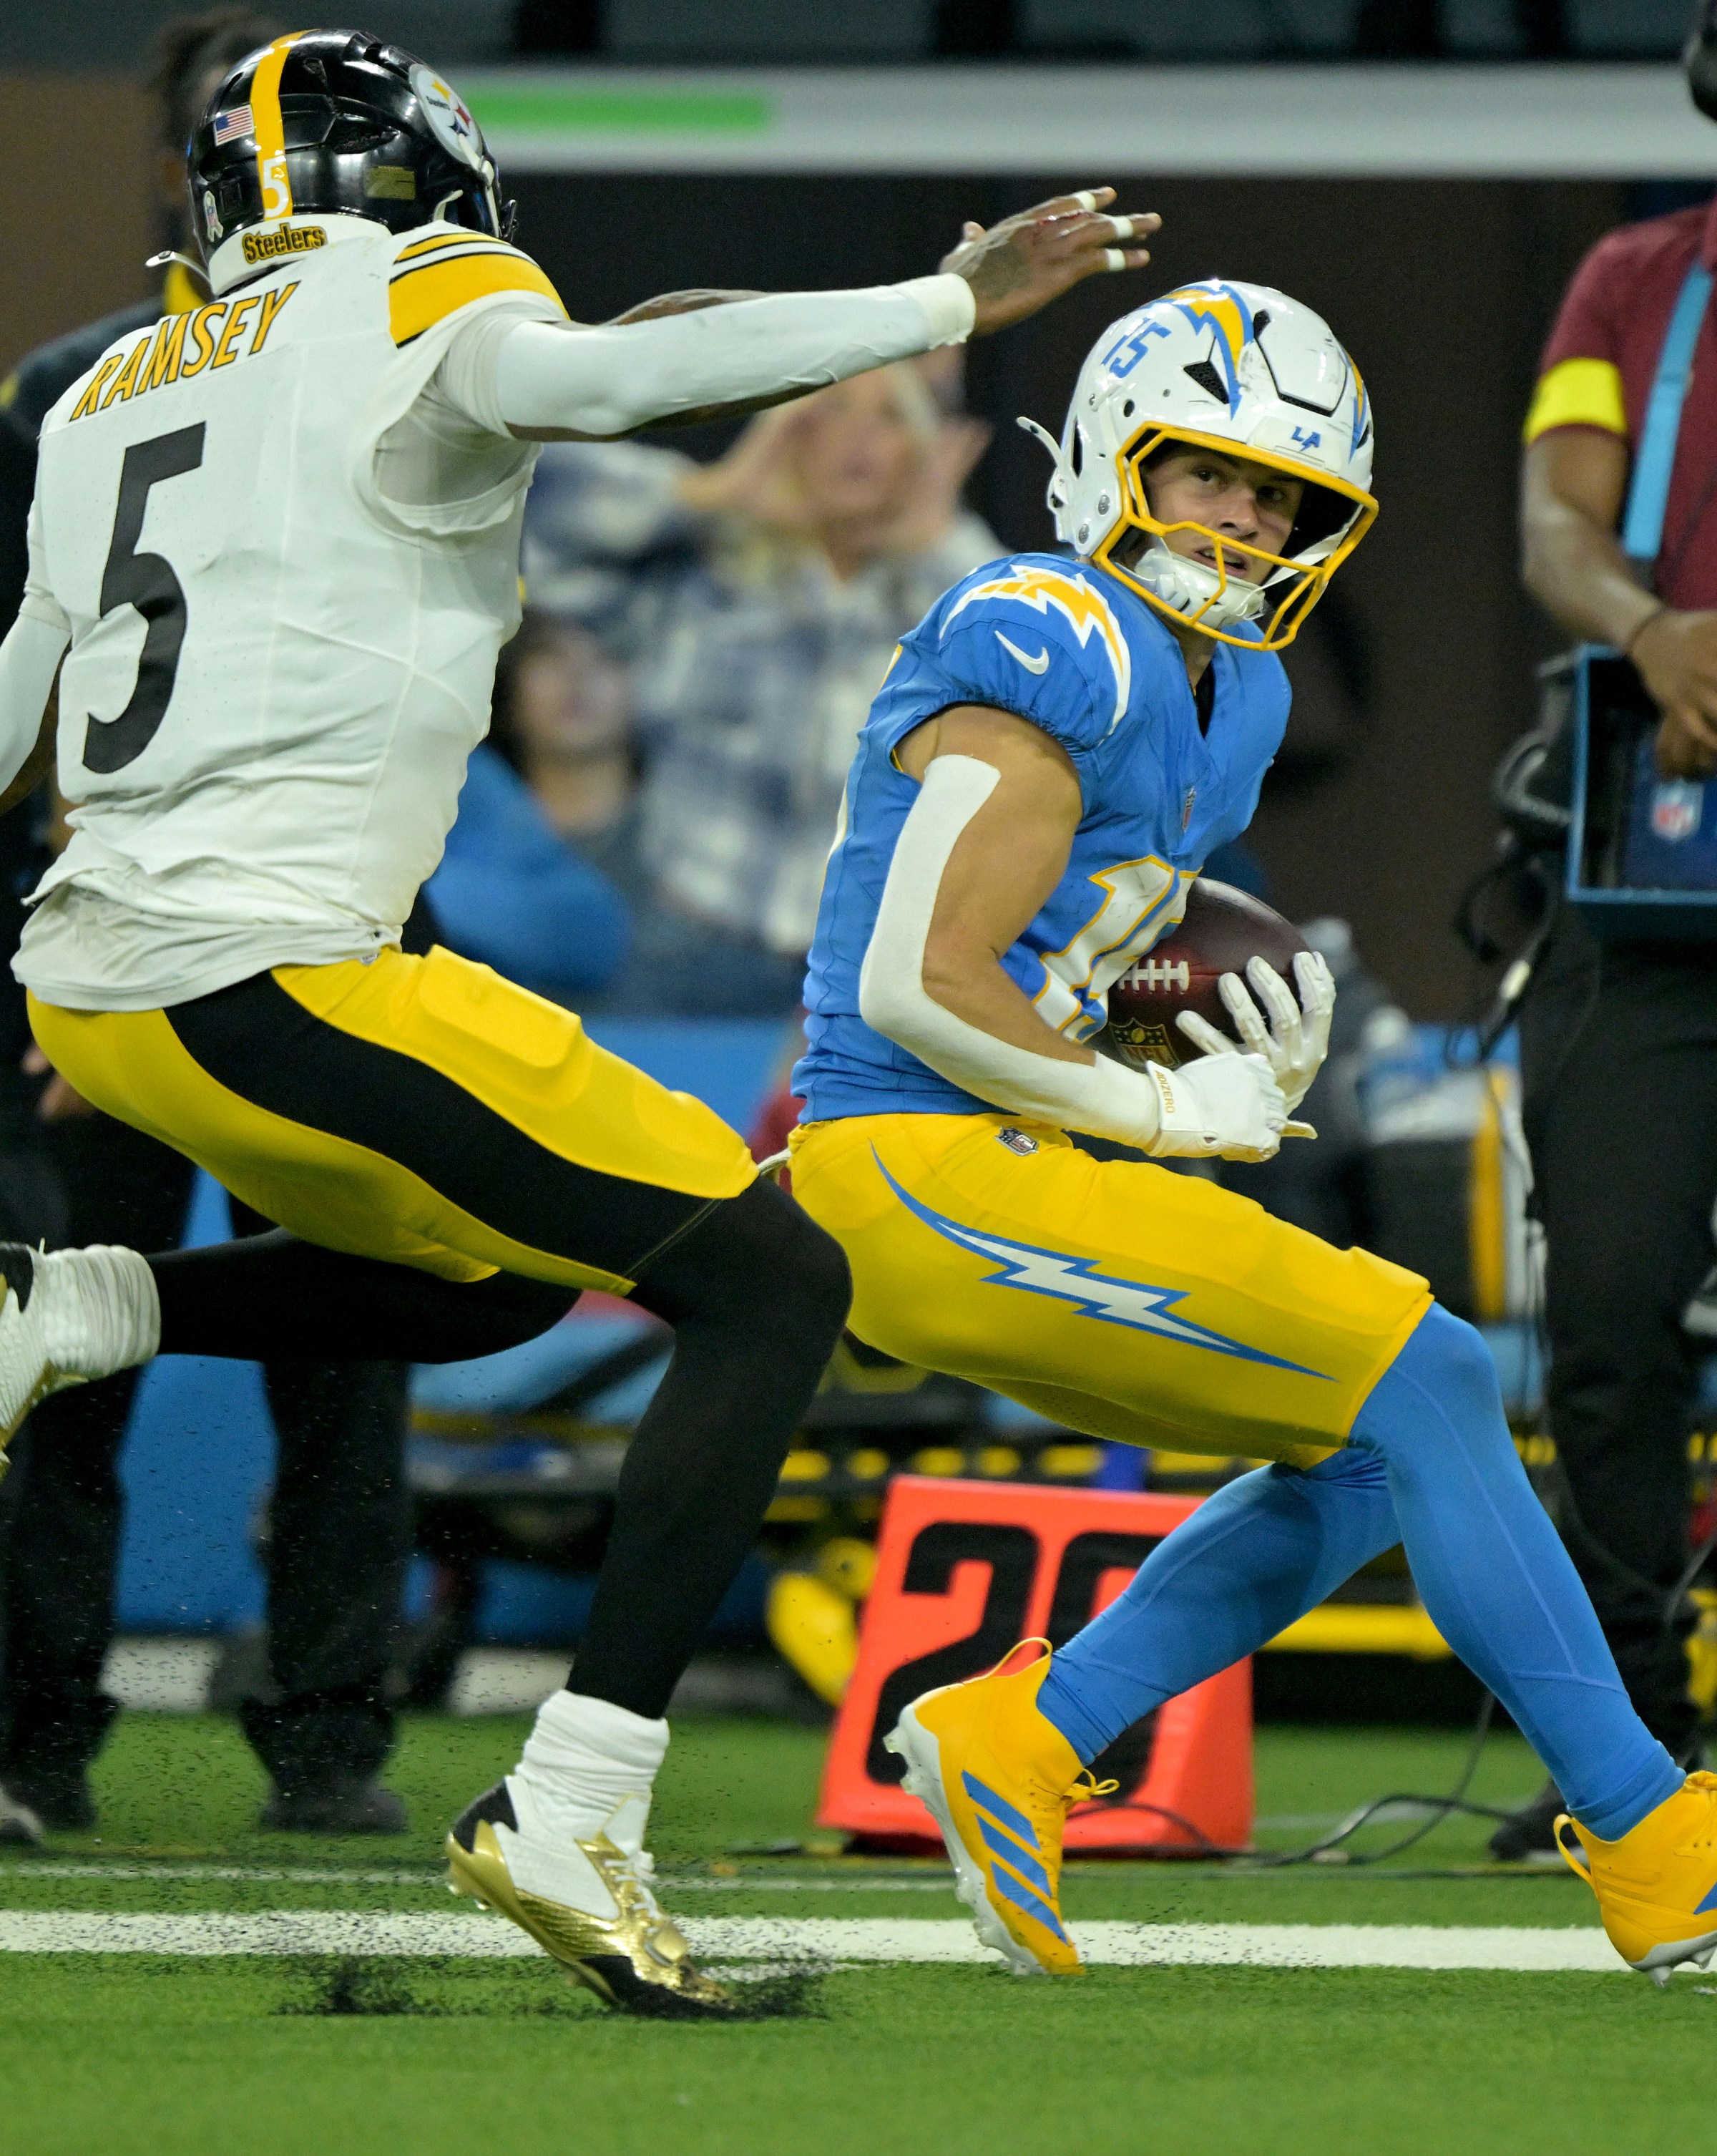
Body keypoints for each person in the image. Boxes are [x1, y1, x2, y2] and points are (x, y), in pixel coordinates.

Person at [0, 26, 1160, 2012]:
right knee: (779, 1275)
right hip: (270, 966)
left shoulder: (109, 384)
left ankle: (81, 1302)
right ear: (429, 180)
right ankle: (576, 1803)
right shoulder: (429, 292)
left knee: (498, 1273)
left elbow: (21, 693)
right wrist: (948, 302)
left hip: (102, 984)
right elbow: (618, 373)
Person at [786, 279, 1717, 1985]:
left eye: (1279, 497)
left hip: (1011, 1164)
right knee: (1426, 1371)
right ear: (1104, 459)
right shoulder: (1042, 624)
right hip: (904, 1170)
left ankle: (1023, 1734)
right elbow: (918, 987)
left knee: (1364, 1453)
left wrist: (1197, 1051)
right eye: (1208, 476)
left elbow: (1070, 949)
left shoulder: (1235, 690)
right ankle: (1657, 1842)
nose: (1244, 520)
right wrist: (1155, 1101)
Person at [0, 6, 428, 1845]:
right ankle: (36, 1741)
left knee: (352, 1334)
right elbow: (56, 689)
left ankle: (329, 1739)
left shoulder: (400, 369)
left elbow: (410, 686)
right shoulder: (66, 398)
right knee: (66, 1353)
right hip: (109, 938)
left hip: (325, 917)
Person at [1497, 45, 1717, 1852]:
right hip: (1640, 877)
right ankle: (1627, 1762)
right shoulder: (1627, 285)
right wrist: (1652, 636)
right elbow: (1550, 520)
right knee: (1608, 1319)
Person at [522, 363, 997, 1013]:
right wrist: (713, 492)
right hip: (686, 955)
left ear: (919, 449)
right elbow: (534, 516)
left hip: (873, 976)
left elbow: (1059, 691)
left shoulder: (943, 601)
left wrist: (943, 542)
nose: (858, 436)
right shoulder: (704, 579)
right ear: (787, 432)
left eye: (889, 417)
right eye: (833, 409)